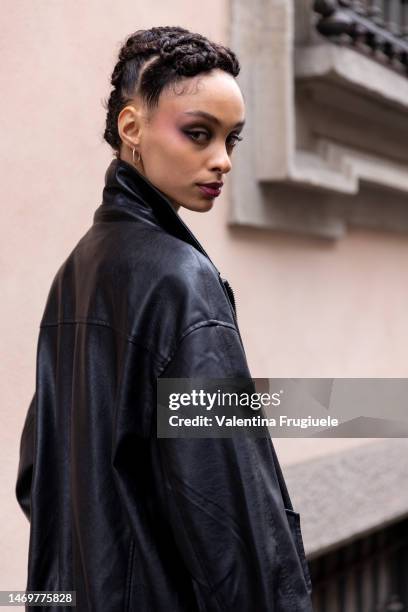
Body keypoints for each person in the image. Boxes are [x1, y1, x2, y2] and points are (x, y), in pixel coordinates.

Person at [15, 26, 313, 611]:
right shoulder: (179, 281)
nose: (222, 160)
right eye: (198, 134)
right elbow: (227, 518)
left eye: (233, 139)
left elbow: (38, 473)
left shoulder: (76, 271)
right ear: (132, 128)